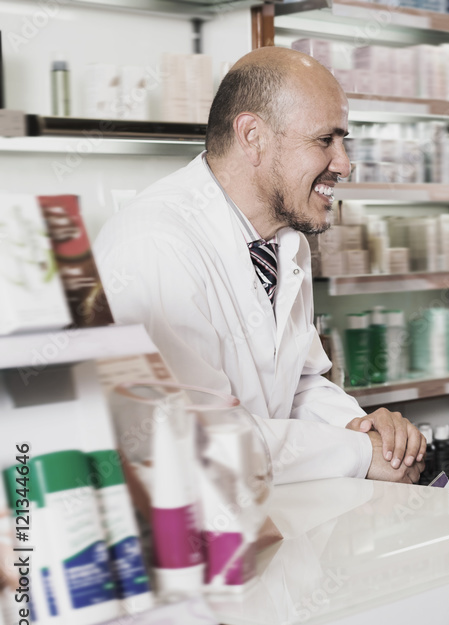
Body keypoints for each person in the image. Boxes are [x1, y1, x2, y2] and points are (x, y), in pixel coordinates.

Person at [95, 47, 425, 485]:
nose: (344, 164)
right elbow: (196, 441)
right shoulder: (155, 245)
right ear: (252, 136)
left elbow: (297, 384)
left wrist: (368, 432)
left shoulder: (283, 241)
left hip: (265, 513)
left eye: (344, 141)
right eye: (325, 140)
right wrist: (358, 454)